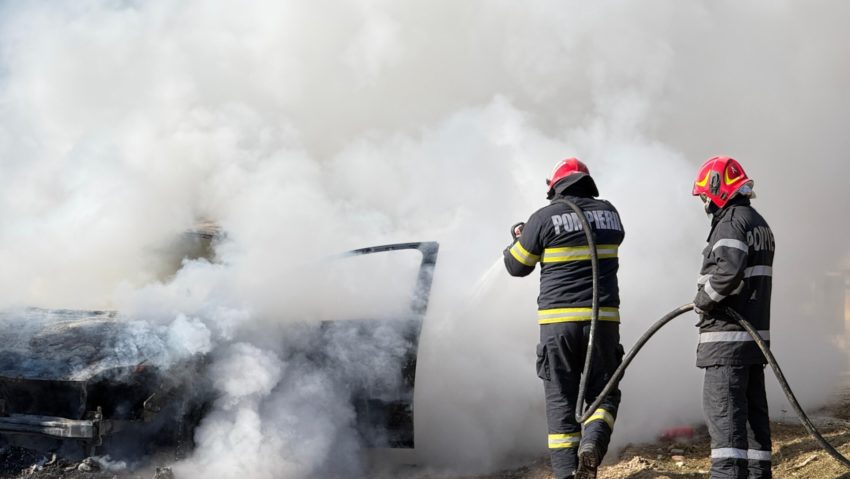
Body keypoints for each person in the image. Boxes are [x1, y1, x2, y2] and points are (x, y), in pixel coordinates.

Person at [504, 158, 625, 479]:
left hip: (558, 329)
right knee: (604, 392)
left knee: (561, 402)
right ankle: (592, 446)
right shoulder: (611, 214)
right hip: (603, 325)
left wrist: (520, 237)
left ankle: (565, 474)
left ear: (555, 188)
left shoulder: (543, 218)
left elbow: (516, 266)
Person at [691, 156, 775, 478]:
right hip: (752, 345)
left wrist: (702, 300)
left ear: (716, 190)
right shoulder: (759, 223)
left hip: (725, 344)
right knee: (754, 432)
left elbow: (727, 273)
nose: (705, 203)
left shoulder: (730, 222)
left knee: (726, 438)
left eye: (704, 197)